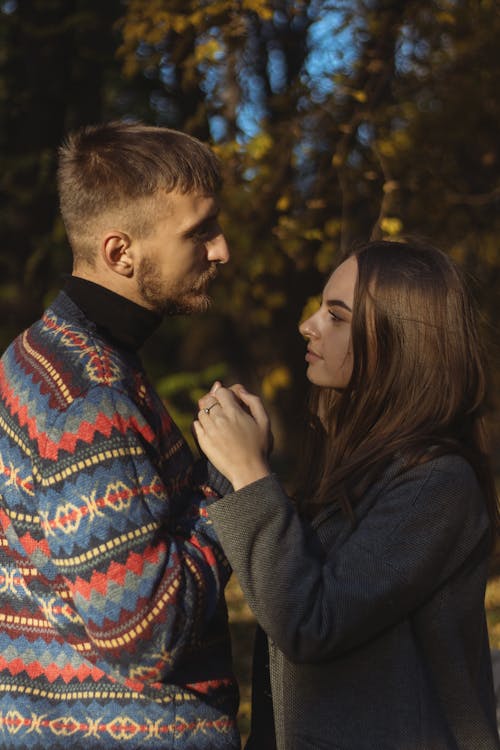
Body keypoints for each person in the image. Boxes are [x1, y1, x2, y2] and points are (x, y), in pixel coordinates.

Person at [194, 239, 500, 750]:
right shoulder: (362, 464)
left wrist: (249, 474)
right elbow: (303, 582)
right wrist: (252, 469)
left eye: (336, 316)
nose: (307, 325)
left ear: (397, 341)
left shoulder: (439, 483)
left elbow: (313, 622)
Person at [0, 121, 240, 748]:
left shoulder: (32, 356)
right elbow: (144, 637)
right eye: (199, 232)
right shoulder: (91, 397)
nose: (221, 251)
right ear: (119, 253)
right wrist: (230, 481)